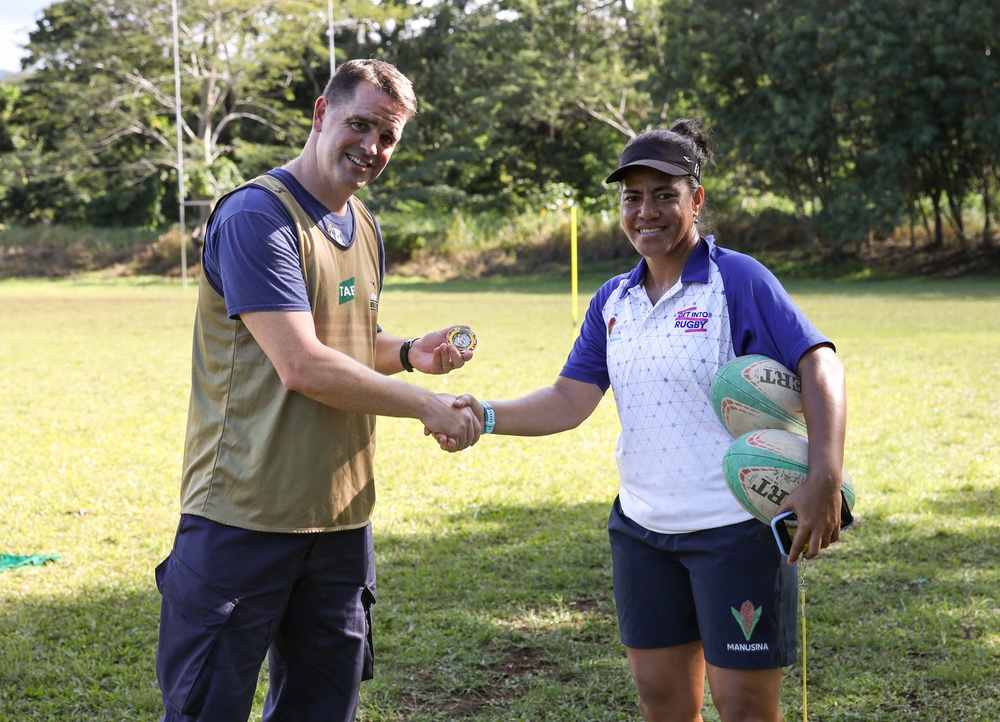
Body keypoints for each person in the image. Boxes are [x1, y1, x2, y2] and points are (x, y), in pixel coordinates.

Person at [445, 119, 847, 722]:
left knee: (744, 708)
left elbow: (819, 363)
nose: (646, 211)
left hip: (734, 530)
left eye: (665, 195)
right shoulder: (613, 300)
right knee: (661, 704)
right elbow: (569, 399)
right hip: (642, 531)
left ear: (696, 199)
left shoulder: (735, 280)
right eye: (633, 197)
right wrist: (488, 415)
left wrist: (824, 474)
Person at [154, 59, 482, 722]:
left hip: (340, 520)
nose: (372, 147)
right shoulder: (256, 218)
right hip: (244, 516)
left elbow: (348, 344)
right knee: (206, 709)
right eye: (360, 125)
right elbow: (302, 364)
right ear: (320, 114)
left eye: (388, 137)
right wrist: (427, 407)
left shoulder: (364, 226)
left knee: (321, 710)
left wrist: (411, 355)